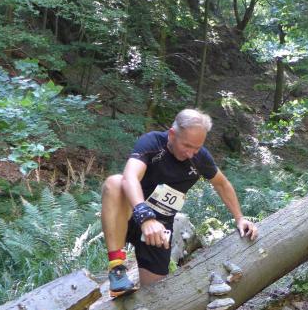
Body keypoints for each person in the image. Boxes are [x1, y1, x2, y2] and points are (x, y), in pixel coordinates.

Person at [101, 108, 259, 297]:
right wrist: (145, 217)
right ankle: (117, 268)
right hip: (131, 214)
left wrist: (240, 218)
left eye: (197, 148)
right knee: (115, 183)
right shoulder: (152, 142)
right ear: (172, 134)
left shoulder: (200, 159)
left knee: (154, 296)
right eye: (187, 146)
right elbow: (130, 176)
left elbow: (222, 184)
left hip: (160, 229)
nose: (191, 153)